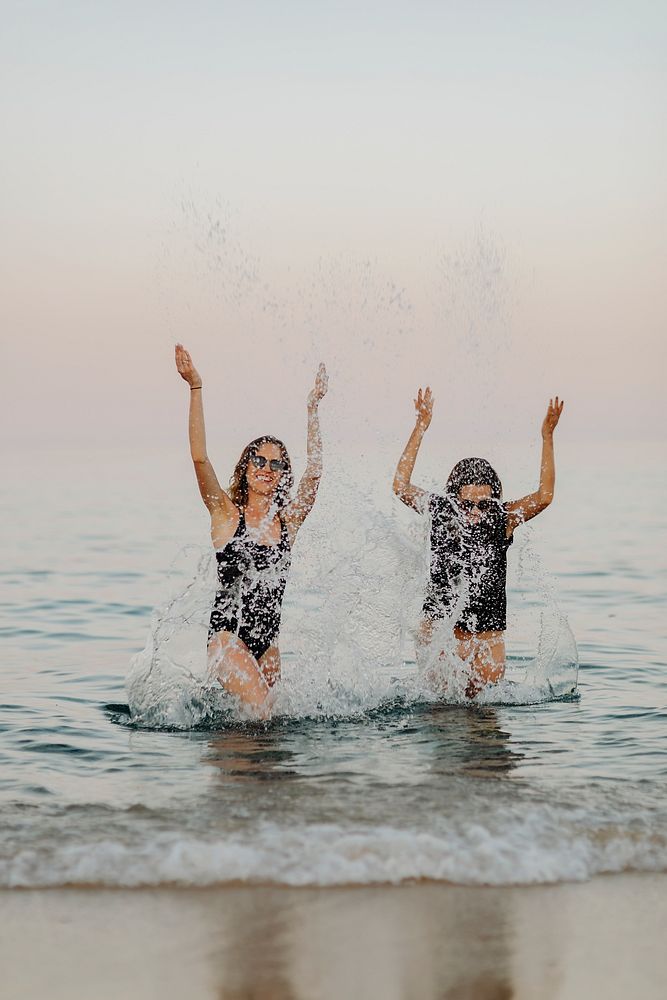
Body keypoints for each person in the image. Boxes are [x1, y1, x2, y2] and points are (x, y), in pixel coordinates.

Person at [175, 343, 328, 718]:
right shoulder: (226, 515)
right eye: (258, 460)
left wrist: (312, 408)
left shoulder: (287, 523)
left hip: (268, 644)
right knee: (261, 712)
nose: (267, 467)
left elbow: (316, 472)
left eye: (276, 464)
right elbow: (199, 457)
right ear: (245, 468)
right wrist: (196, 387)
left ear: (281, 476)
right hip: (227, 639)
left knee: (263, 733)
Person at [393, 387, 564, 697]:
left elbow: (544, 496)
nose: (473, 512)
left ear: (493, 500)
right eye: (466, 504)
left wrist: (547, 436)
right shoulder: (441, 511)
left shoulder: (504, 518)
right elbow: (400, 485)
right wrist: (420, 427)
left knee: (486, 727)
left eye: (483, 504)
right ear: (453, 498)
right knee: (441, 716)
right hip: (441, 636)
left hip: (487, 640)